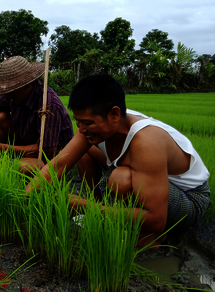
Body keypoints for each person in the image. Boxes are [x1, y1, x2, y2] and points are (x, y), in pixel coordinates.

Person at [27, 73, 211, 248]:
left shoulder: (147, 141)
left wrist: (90, 208)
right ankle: (103, 211)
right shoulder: (94, 124)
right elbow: (59, 164)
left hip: (189, 198)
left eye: (87, 123)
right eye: (78, 121)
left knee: (121, 178)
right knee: (81, 152)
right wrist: (23, 197)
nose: (81, 129)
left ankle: (150, 238)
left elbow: (156, 218)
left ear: (115, 114)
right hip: (149, 181)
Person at [0, 56, 74, 174]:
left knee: (21, 167)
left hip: (51, 157)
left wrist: (5, 148)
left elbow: (46, 150)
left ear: (27, 84)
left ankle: (6, 169)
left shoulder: (49, 105)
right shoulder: (12, 95)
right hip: (26, 143)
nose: (8, 95)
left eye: (12, 91)